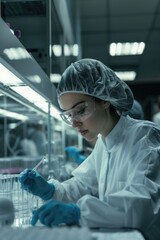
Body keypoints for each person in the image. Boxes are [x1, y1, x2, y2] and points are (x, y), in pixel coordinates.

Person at [19, 59, 160, 240]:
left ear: (105, 100)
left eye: (81, 110)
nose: (74, 123)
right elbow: (83, 184)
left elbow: (141, 205)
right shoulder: (105, 141)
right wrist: (51, 191)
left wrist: (78, 212)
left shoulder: (145, 137)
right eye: (69, 115)